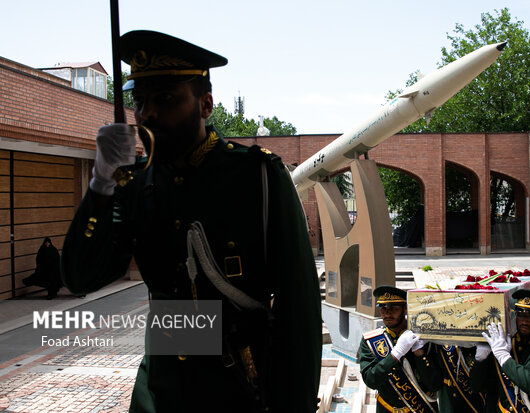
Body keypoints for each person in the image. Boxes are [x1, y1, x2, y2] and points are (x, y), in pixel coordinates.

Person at [60, 30, 322, 412]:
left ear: (205, 104)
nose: (148, 113)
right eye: (140, 100)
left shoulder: (256, 177)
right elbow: (81, 277)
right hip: (160, 391)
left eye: (165, 99)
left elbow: (298, 309)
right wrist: (101, 184)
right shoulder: (135, 183)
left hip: (240, 389)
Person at [470, 290, 530, 413]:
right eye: (521, 315)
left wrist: (504, 357)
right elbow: (477, 386)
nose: (524, 321)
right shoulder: (504, 344)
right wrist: (480, 360)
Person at [358, 286, 442, 413]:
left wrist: (420, 354)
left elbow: (435, 384)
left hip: (421, 408)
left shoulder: (424, 338)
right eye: (383, 308)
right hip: (387, 409)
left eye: (394, 308)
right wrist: (395, 355)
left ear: (405, 309)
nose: (387, 313)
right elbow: (371, 380)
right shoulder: (371, 341)